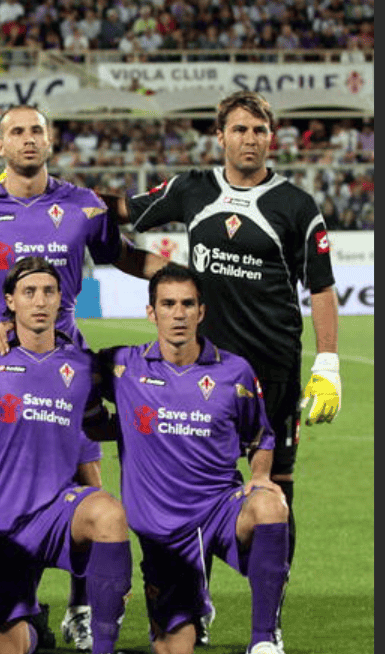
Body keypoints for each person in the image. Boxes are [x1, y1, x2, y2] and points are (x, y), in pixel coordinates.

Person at [105, 90, 339, 644]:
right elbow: (121, 211)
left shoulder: (297, 205)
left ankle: (269, 622)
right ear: (220, 136)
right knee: (195, 487)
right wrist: (58, 197)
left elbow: (322, 287)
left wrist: (328, 361)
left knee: (274, 493)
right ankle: (194, 602)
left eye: (258, 130)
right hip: (201, 375)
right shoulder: (193, 189)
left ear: (271, 138)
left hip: (273, 372)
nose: (249, 140)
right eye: (239, 129)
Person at [0, 104, 166, 648]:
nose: (28, 139)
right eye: (16, 131)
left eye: (36, 131)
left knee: (90, 487)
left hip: (68, 376)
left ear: (50, 141)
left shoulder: (82, 205)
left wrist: (184, 277)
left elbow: (123, 256)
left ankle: (82, 607)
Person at [94, 264, 289, 654]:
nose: (178, 314)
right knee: (173, 648)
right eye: (168, 304)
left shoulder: (234, 372)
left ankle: (265, 640)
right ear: (151, 313)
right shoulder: (122, 366)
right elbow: (59, 364)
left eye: (187, 304)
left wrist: (260, 475)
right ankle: (194, 600)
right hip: (162, 530)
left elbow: (261, 436)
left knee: (271, 505)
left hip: (219, 510)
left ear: (201, 311)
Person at [0, 258, 131, 654]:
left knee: (108, 514)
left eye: (49, 291)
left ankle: (103, 644)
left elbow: (98, 426)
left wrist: (152, 429)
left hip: (56, 514)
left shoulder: (82, 365)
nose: (40, 301)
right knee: (9, 647)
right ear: (10, 301)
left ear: (62, 298)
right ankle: (31, 628)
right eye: (29, 292)